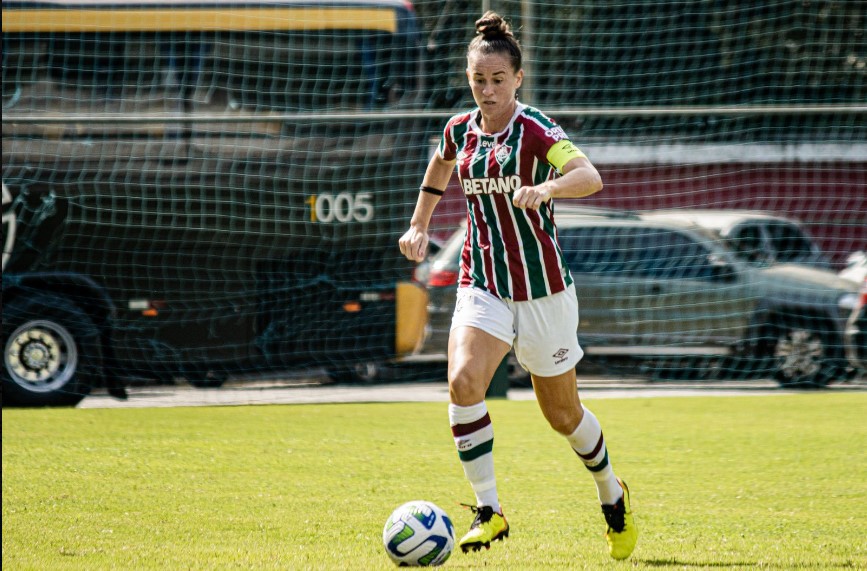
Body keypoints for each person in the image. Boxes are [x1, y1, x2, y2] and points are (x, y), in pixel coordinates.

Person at [398, 11, 638, 560]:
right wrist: (419, 224)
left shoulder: (534, 130)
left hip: (543, 289)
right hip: (481, 281)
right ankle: (490, 510)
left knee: (563, 417)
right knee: (462, 382)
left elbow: (590, 175)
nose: (487, 90)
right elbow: (440, 167)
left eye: (497, 80)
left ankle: (611, 492)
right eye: (478, 80)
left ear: (518, 79)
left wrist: (548, 187)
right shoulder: (458, 130)